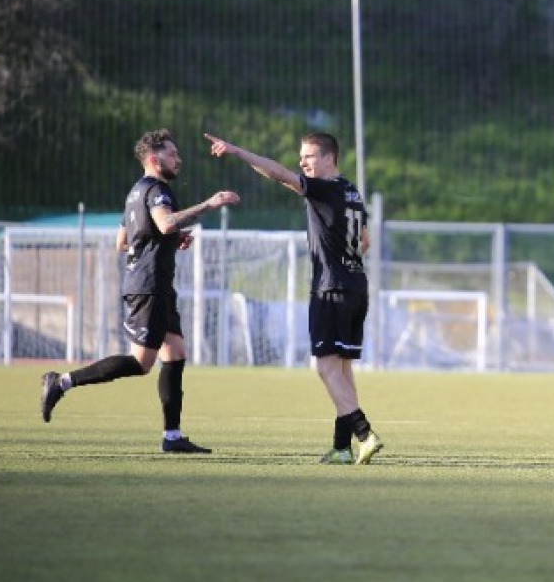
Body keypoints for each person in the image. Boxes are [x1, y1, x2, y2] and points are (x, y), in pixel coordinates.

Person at [39, 129, 240, 453]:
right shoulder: (158, 190)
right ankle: (61, 382)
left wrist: (172, 239)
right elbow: (165, 223)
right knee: (141, 363)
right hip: (149, 287)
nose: (179, 159)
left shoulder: (136, 192)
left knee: (174, 355)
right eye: (172, 154)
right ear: (153, 158)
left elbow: (123, 242)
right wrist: (209, 203)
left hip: (154, 286)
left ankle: (172, 437)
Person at [203, 131, 383, 465]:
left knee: (326, 369)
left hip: (331, 290)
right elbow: (365, 241)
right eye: (301, 157)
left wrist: (237, 151)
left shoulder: (324, 188)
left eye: (309, 156)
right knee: (342, 371)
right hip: (356, 286)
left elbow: (278, 174)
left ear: (329, 157)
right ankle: (342, 448)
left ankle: (364, 434)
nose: (302, 162)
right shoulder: (352, 192)